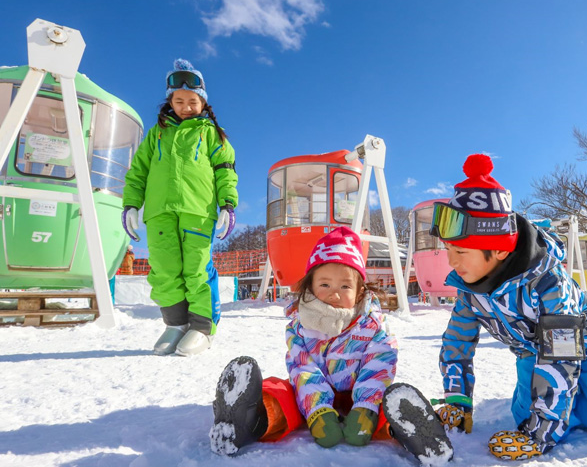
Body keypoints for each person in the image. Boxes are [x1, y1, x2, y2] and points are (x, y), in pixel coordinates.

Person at [429, 154, 587, 461]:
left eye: (460, 250)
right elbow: (456, 344)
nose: (451, 261)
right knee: (524, 415)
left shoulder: (549, 282)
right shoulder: (469, 289)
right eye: (447, 249)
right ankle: (572, 401)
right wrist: (458, 402)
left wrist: (542, 434)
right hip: (536, 352)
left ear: (500, 248)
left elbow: (561, 353)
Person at [208, 227, 452, 464]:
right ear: (310, 286)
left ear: (359, 291)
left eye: (345, 286)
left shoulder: (372, 325)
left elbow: (380, 363)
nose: (334, 294)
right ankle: (247, 419)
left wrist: (366, 407)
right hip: (309, 393)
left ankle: (414, 434)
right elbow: (302, 368)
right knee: (281, 392)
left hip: (362, 391)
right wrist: (318, 411)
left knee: (388, 402)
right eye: (325, 285)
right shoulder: (300, 326)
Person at [122, 59, 238, 356]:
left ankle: (201, 327)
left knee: (196, 270)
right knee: (164, 270)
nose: (186, 106)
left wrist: (227, 204)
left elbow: (225, 170)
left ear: (203, 102)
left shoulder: (212, 134)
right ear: (170, 101)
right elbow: (138, 171)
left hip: (197, 211)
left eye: (192, 101)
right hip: (160, 211)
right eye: (179, 100)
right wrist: (132, 205)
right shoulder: (156, 134)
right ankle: (175, 324)